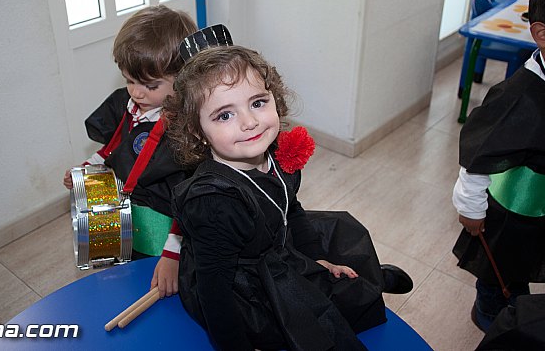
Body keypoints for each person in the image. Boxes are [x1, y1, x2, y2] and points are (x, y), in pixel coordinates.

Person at [164, 45, 413, 351]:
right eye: (225, 114)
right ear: (198, 131)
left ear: (275, 99)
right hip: (245, 285)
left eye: (258, 102)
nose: (249, 122)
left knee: (343, 233)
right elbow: (216, 294)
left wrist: (315, 258)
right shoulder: (214, 203)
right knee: (316, 317)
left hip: (277, 242)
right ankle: (367, 287)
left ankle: (368, 280)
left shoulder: (275, 155)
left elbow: (291, 206)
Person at [452, 0, 545, 333]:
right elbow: (476, 155)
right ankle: (492, 318)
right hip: (513, 211)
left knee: (534, 260)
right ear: (542, 35)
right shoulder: (517, 98)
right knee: (500, 273)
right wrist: (470, 207)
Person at [63, 5, 197, 297]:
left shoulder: (188, 130)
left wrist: (173, 253)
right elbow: (115, 144)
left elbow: (192, 200)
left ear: (184, 77)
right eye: (129, 80)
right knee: (124, 285)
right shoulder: (132, 103)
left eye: (150, 85)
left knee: (163, 293)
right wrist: (91, 166)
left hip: (165, 236)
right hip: (126, 220)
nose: (136, 92)